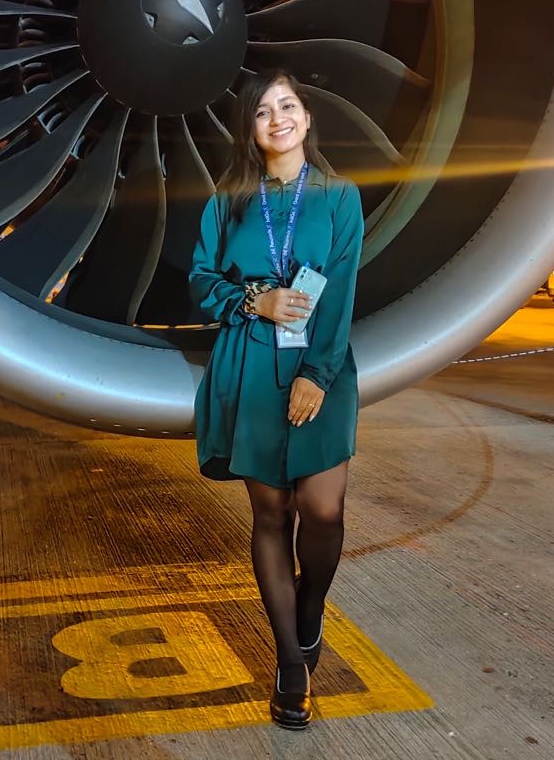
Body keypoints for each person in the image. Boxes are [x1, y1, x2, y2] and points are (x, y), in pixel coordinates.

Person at [189, 69, 363, 730]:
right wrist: (252, 300)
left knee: (322, 509)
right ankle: (291, 661)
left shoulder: (339, 197)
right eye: (262, 110)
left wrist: (317, 373)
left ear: (307, 117)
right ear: (251, 128)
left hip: (319, 360)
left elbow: (338, 287)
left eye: (286, 105)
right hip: (251, 363)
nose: (277, 118)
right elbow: (200, 279)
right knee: (270, 514)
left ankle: (310, 609)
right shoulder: (227, 200)